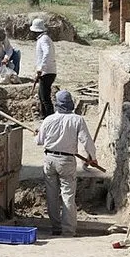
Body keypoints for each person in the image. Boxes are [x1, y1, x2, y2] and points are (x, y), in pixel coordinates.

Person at [36, 90, 97, 236]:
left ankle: (56, 227)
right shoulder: (77, 120)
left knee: (51, 196)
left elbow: (39, 141)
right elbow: (86, 141)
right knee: (67, 195)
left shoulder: (48, 119)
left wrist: (37, 134)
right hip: (66, 161)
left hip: (49, 159)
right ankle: (68, 230)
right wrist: (92, 157)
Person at [30, 18, 57, 119]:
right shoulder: (43, 39)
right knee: (41, 96)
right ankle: (44, 116)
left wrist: (41, 67)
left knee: (45, 97)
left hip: (47, 72)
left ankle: (50, 117)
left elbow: (47, 52)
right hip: (46, 72)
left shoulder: (44, 39)